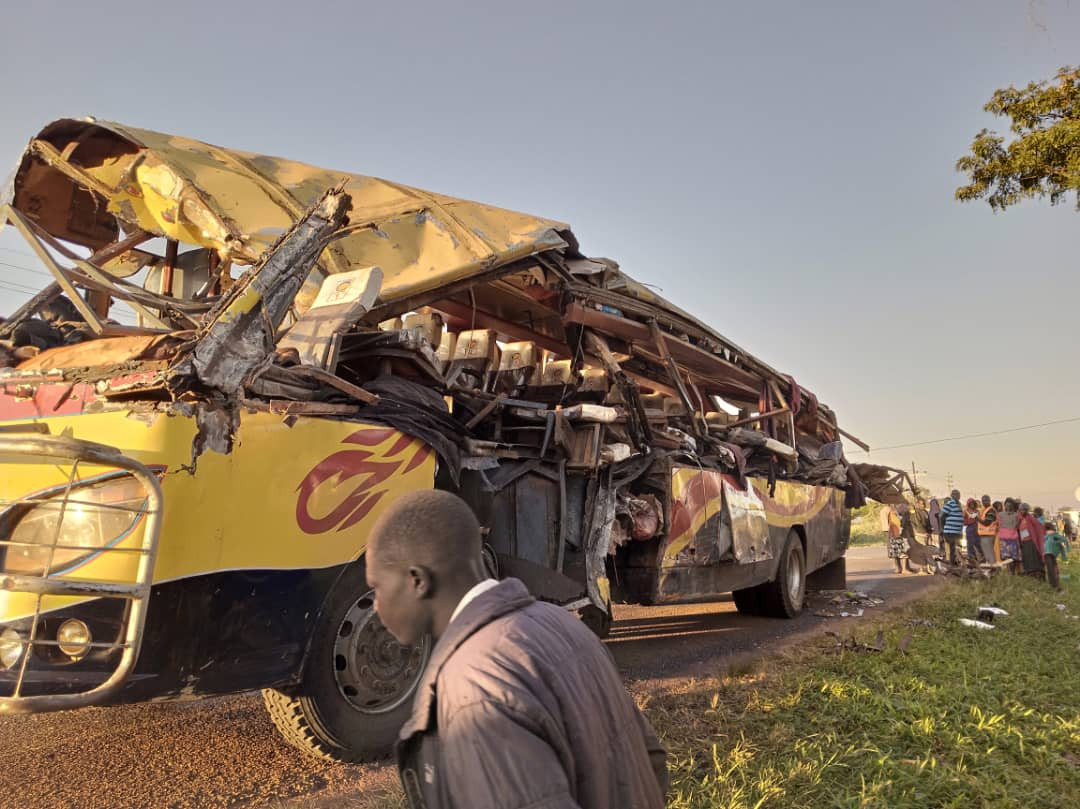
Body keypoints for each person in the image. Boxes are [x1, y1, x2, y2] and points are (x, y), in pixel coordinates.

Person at [367, 489, 668, 809]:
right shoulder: (562, 625)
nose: (375, 605)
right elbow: (652, 761)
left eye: (377, 587)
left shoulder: (475, 683)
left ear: (417, 581)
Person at [1017, 502, 1046, 579]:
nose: (1022, 511)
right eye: (1021, 510)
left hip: (1031, 542)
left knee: (1034, 560)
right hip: (1024, 542)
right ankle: (1030, 575)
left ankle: (1038, 575)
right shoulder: (1020, 519)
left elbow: (1039, 528)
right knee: (1027, 559)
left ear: (1027, 510)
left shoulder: (1031, 519)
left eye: (1024, 510)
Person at [940, 489, 965, 565]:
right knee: (953, 548)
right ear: (952, 496)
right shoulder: (950, 503)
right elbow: (942, 516)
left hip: (957, 531)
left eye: (958, 494)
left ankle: (955, 564)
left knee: (956, 548)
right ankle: (952, 565)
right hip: (950, 531)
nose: (958, 496)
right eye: (956, 494)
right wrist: (942, 528)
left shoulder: (959, 504)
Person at [997, 498, 1022, 570]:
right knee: (1005, 557)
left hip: (1013, 539)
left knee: (1013, 558)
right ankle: (1008, 572)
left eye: (1010, 505)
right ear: (1005, 505)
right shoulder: (1000, 514)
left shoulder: (1017, 515)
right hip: (1003, 539)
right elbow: (999, 524)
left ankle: (1012, 572)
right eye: (1007, 505)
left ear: (1013, 506)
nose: (1008, 507)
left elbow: (1017, 525)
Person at [1043, 523, 1068, 591]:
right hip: (1051, 554)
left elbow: (1061, 543)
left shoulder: (1048, 536)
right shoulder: (1052, 535)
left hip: (1048, 554)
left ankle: (1055, 584)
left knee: (1052, 569)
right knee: (1053, 569)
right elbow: (1062, 543)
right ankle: (1055, 584)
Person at [976, 495, 998, 564]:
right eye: (983, 501)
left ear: (989, 501)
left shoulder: (991, 510)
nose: (984, 502)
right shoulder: (984, 510)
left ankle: (994, 569)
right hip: (983, 535)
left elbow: (986, 523)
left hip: (989, 535)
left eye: (986, 500)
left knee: (990, 553)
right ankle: (991, 569)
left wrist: (977, 518)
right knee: (987, 554)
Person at [886, 504, 905, 573]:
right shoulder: (892, 513)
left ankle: (900, 568)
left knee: (899, 553)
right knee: (896, 553)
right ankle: (898, 568)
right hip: (895, 535)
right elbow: (892, 524)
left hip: (897, 534)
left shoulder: (897, 513)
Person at [963, 498, 983, 563]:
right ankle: (972, 561)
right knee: (970, 546)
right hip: (969, 530)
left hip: (977, 529)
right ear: (968, 504)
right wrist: (971, 520)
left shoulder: (977, 511)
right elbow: (963, 522)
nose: (972, 505)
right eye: (970, 504)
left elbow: (981, 520)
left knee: (978, 545)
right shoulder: (965, 511)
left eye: (973, 503)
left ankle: (982, 558)